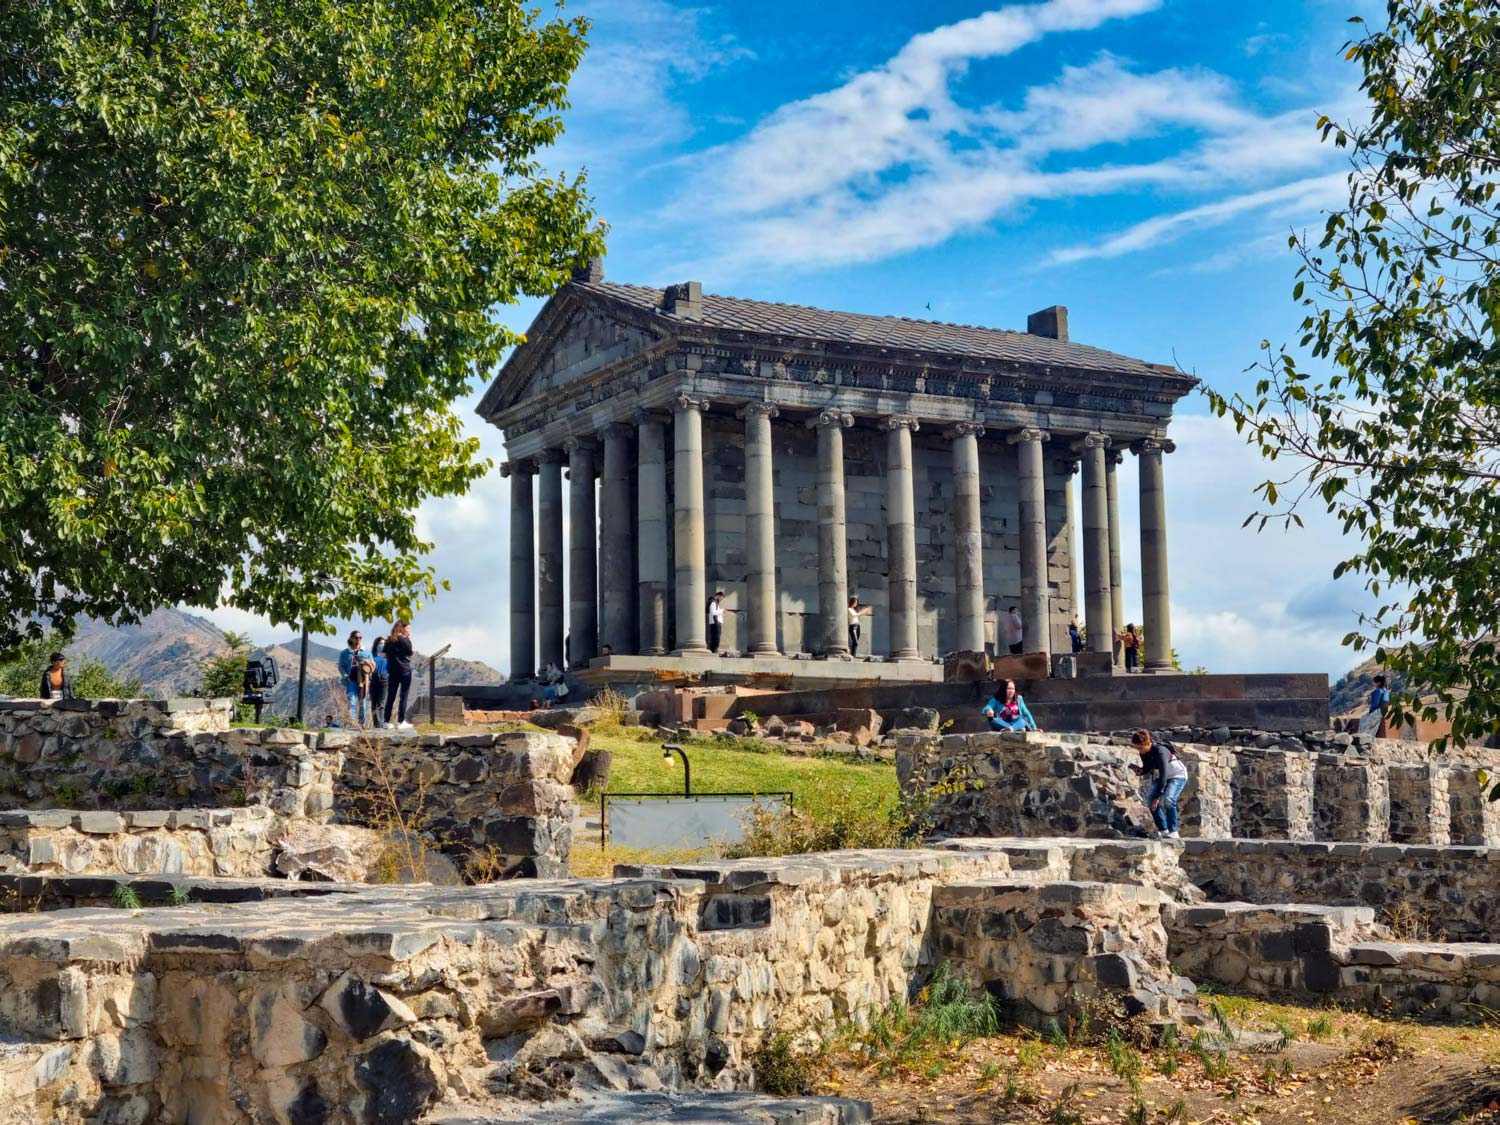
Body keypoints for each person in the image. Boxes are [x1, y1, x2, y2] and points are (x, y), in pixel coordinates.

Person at [1130, 728, 1188, 840]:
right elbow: (1148, 767)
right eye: (1137, 748)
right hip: (1165, 777)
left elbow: (1163, 776)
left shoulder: (1161, 751)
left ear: (1148, 744)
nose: (1139, 750)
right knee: (1150, 801)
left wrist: (1158, 797)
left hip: (1177, 775)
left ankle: (1173, 831)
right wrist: (1140, 771)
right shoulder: (1144, 753)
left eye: (1141, 747)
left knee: (1169, 800)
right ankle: (1163, 830)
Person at [382, 620, 416, 729]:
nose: (409, 630)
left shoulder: (389, 640)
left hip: (392, 671)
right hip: (404, 670)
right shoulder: (404, 640)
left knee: (391, 696)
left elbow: (385, 653)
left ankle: (386, 721)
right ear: (402, 628)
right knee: (403, 696)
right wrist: (408, 639)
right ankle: (401, 721)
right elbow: (410, 652)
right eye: (408, 628)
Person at [337, 630, 372, 727]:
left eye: (360, 637)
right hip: (351, 681)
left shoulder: (366, 652)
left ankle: (361, 724)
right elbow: (341, 666)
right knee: (351, 701)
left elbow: (372, 665)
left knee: (363, 703)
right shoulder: (345, 653)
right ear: (351, 639)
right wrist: (345, 676)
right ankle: (352, 723)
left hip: (363, 681)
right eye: (356, 638)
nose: (358, 639)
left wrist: (368, 675)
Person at [368, 636, 390, 729]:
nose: (382, 645)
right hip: (374, 679)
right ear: (376, 645)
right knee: (374, 703)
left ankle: (380, 724)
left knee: (381, 703)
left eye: (384, 644)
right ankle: (376, 724)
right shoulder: (371, 655)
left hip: (384, 679)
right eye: (381, 643)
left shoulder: (387, 655)